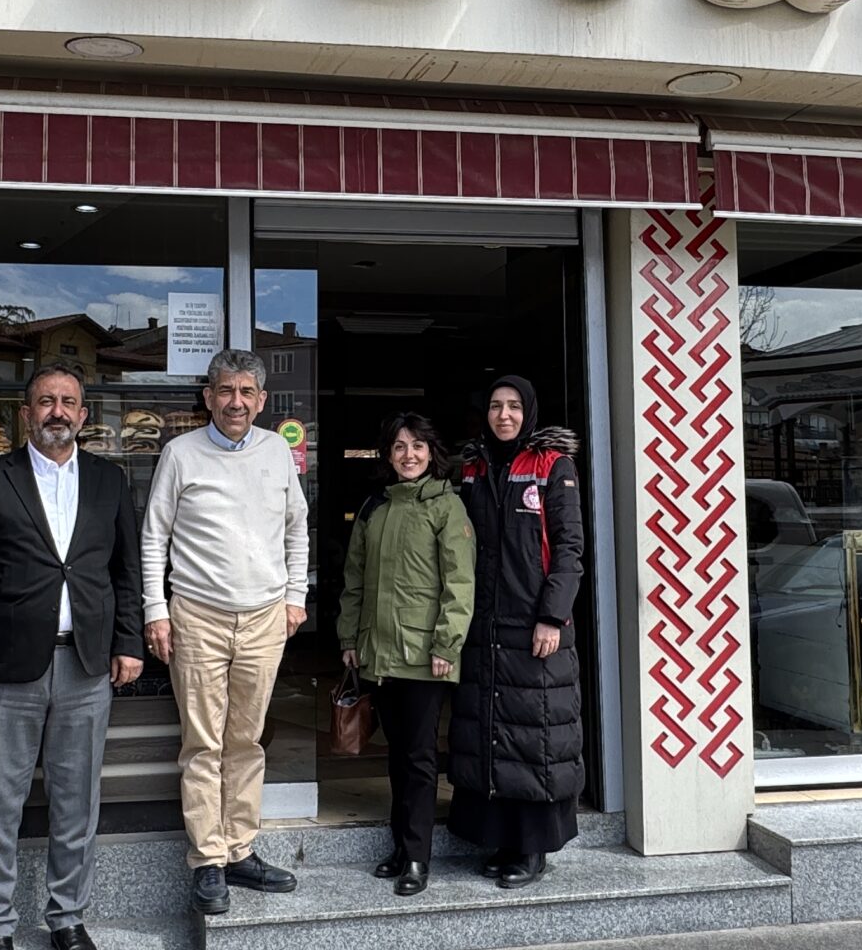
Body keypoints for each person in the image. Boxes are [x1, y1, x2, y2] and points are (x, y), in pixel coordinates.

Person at [0, 361, 145, 950]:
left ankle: (67, 918)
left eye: (68, 402)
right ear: (26, 412)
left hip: (86, 664)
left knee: (77, 801)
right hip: (6, 668)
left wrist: (128, 642)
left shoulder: (110, 480)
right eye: (46, 401)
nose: (58, 411)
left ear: (84, 414)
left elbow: (126, 571)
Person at [142, 346, 311, 917]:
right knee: (202, 744)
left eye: (246, 392)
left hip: (264, 616)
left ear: (261, 400)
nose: (236, 402)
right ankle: (208, 859)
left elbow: (297, 529)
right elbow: (154, 537)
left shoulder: (276, 452)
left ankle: (239, 849)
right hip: (198, 615)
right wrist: (155, 609)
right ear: (208, 397)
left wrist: (295, 597)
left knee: (246, 740)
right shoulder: (180, 453)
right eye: (225, 391)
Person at [453, 375, 586, 888]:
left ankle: (532, 849)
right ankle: (501, 841)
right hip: (485, 621)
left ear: (527, 411)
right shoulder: (474, 466)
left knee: (537, 736)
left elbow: (569, 547)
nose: (503, 415)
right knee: (494, 734)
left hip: (536, 624)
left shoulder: (553, 465)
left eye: (512, 406)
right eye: (495, 406)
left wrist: (553, 615)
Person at [338, 413, 474, 896]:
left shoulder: (446, 506)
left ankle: (418, 855)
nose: (409, 455)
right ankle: (401, 846)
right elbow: (354, 579)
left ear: (431, 453)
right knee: (397, 755)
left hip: (425, 655)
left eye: (417, 446)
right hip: (380, 651)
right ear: (388, 455)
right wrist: (350, 639)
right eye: (399, 447)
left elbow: (460, 584)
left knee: (419, 758)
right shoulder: (375, 506)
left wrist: (446, 645)